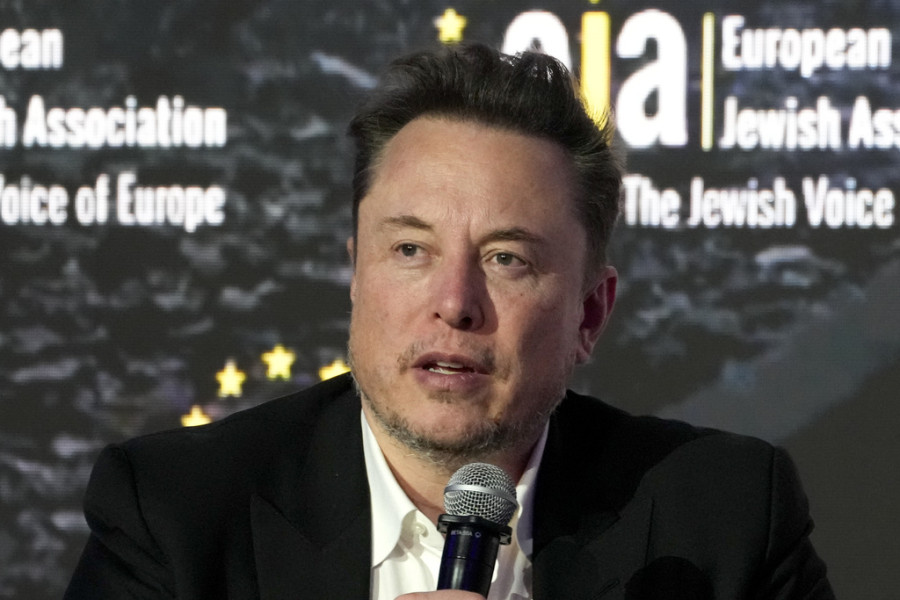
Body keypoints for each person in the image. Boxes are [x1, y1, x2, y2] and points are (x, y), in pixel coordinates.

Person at [65, 42, 834, 599]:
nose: (455, 301)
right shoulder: (177, 513)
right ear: (357, 276)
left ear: (590, 313)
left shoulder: (727, 518)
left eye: (508, 259)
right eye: (410, 249)